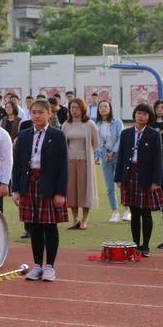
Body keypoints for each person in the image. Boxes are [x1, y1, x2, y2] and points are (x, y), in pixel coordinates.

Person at [11, 99, 69, 282]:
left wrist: (61, 192)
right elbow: (18, 164)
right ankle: (36, 265)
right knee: (34, 227)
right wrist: (16, 189)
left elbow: (63, 166)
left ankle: (49, 266)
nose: (36, 116)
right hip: (28, 184)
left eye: (40, 112)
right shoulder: (24, 134)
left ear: (49, 114)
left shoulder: (58, 136)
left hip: (49, 186)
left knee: (50, 227)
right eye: (33, 112)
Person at [114, 103, 163, 258]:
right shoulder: (126, 133)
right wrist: (118, 178)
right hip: (129, 175)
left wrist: (156, 180)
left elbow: (158, 159)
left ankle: (145, 246)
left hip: (146, 177)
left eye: (144, 114)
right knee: (134, 212)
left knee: (146, 213)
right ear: (135, 114)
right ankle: (135, 244)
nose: (141, 116)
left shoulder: (154, 134)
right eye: (138, 113)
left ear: (149, 117)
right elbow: (121, 156)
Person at [62, 97, 99, 230]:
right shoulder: (66, 125)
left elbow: (95, 144)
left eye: (77, 107)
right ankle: (75, 219)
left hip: (85, 162)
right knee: (71, 191)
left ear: (82, 109)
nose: (74, 110)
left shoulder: (90, 124)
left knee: (84, 191)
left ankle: (84, 220)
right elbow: (63, 144)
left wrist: (86, 155)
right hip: (69, 162)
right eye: (72, 108)